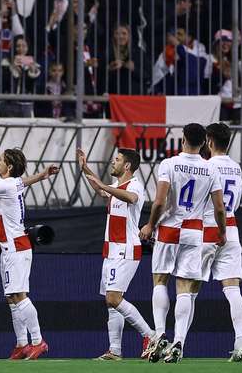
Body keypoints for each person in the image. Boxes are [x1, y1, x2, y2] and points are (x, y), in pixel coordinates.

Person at [139, 123, 226, 364]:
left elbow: (159, 202)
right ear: (203, 143)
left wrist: (149, 225)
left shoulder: (169, 164)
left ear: (183, 140)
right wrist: (222, 232)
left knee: (160, 280)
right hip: (194, 232)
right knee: (185, 287)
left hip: (169, 229)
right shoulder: (210, 169)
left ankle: (159, 334)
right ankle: (179, 341)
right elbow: (219, 208)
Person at [0, 148, 60, 360]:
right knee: (12, 298)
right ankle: (22, 344)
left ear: (9, 167)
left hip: (16, 248)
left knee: (19, 297)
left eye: (1, 160)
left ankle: (38, 341)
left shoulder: (4, 184)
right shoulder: (12, 182)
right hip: (8, 246)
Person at [77, 147, 154, 361]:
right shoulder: (115, 186)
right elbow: (101, 190)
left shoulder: (135, 185)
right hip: (111, 249)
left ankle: (150, 336)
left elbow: (131, 198)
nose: (113, 162)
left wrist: (104, 186)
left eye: (117, 160)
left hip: (126, 249)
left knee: (114, 298)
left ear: (127, 165)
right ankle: (115, 350)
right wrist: (85, 168)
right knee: (111, 303)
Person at [200, 123, 242, 362]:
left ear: (208, 141)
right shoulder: (236, 168)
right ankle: (240, 344)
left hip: (208, 228)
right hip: (231, 228)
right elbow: (236, 203)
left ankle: (179, 343)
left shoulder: (207, 166)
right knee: (232, 289)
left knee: (188, 289)